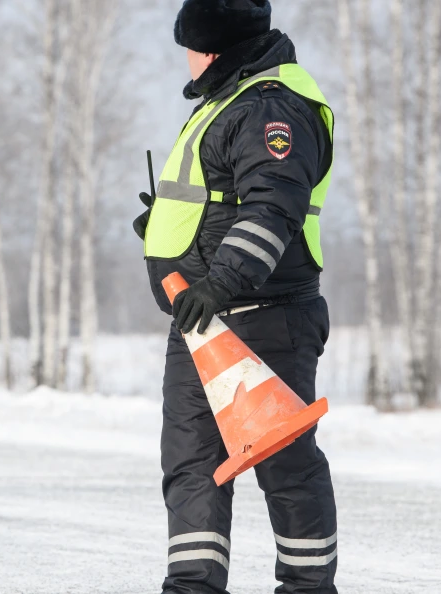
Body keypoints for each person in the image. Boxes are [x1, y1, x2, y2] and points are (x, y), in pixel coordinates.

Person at [135, 1, 338, 592]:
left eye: (192, 47)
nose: (188, 61)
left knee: (286, 467)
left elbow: (274, 205)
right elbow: (221, 200)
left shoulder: (270, 106)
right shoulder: (226, 103)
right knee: (193, 469)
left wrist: (221, 279)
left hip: (264, 317)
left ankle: (307, 587)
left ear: (215, 47)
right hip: (202, 324)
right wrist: (170, 229)